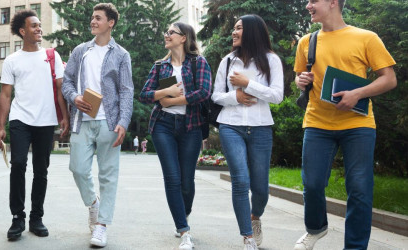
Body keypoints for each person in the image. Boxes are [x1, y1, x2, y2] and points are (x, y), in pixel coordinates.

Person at [293, 0, 397, 249]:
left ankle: (355, 247)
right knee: (312, 184)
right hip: (317, 122)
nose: (308, 5)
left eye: (313, 1)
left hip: (358, 124)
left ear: (332, 2)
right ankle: (316, 228)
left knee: (360, 189)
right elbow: (300, 76)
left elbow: (389, 79)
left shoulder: (366, 38)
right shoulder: (306, 42)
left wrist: (358, 94)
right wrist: (301, 80)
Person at [61, 3, 133, 248]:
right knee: (78, 168)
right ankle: (94, 204)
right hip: (82, 121)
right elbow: (67, 82)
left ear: (110, 23)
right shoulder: (80, 51)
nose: (93, 21)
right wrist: (74, 98)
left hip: (109, 122)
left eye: (98, 18)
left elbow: (126, 91)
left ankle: (101, 226)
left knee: (108, 175)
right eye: (92, 17)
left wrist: (123, 121)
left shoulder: (121, 55)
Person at [211, 14, 284, 250]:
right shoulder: (227, 61)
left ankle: (255, 218)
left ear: (252, 31)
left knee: (261, 188)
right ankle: (247, 237)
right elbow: (216, 96)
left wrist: (248, 83)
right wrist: (236, 96)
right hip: (230, 126)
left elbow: (277, 96)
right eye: (233, 28)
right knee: (240, 181)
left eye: (239, 28)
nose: (233, 32)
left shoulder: (271, 60)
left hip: (261, 128)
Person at [0, 9, 67, 241]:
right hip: (20, 119)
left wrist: (64, 117)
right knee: (18, 164)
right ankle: (18, 217)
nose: (39, 29)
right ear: (23, 31)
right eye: (34, 26)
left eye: (39, 25)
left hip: (46, 121)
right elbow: (5, 95)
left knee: (41, 170)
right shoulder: (12, 60)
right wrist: (1, 126)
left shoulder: (51, 56)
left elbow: (60, 90)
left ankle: (36, 217)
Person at [139, 22, 211, 250]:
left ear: (184, 38)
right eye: (166, 32)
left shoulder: (198, 62)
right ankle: (184, 231)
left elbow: (203, 92)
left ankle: (183, 214)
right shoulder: (162, 66)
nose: (166, 35)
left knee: (186, 182)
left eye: (171, 32)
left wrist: (173, 99)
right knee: (172, 178)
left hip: (191, 126)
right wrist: (166, 93)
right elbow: (146, 94)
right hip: (163, 125)